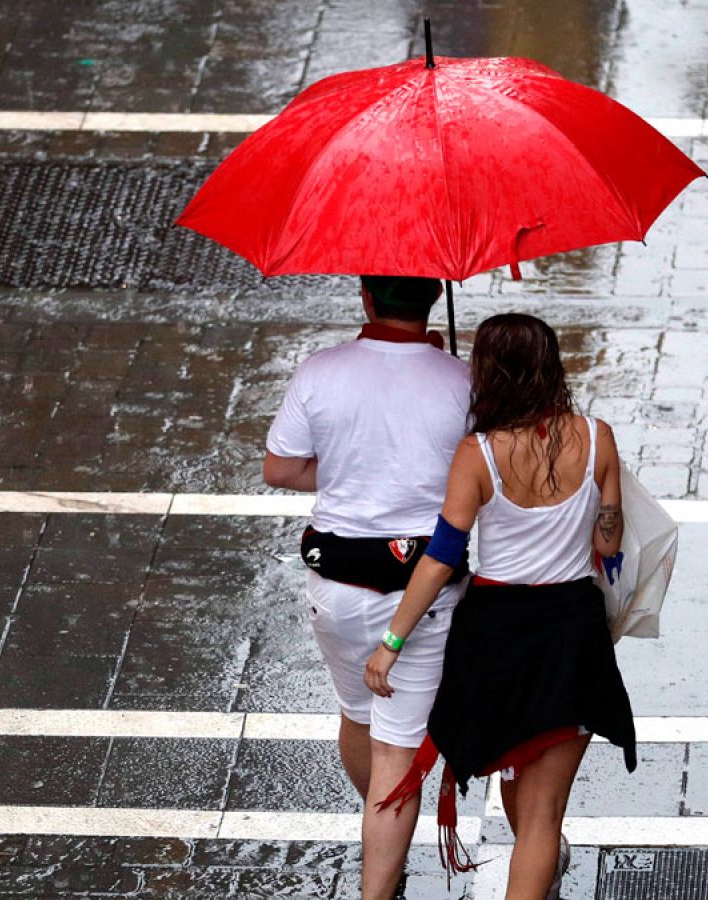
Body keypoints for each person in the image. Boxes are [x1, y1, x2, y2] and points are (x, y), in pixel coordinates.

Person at [365, 313, 636, 900]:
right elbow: (608, 543)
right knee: (542, 819)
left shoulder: (478, 452)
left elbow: (440, 559)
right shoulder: (599, 437)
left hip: (496, 636)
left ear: (486, 372)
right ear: (551, 365)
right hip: (572, 632)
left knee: (515, 778)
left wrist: (392, 643)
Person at [263, 274, 472, 900]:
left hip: (334, 589)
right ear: (435, 298)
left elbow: (281, 467)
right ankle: (379, 882)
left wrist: (357, 468)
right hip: (420, 595)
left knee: (358, 717)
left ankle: (385, 826)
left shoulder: (321, 371)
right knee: (397, 756)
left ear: (366, 298)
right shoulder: (461, 382)